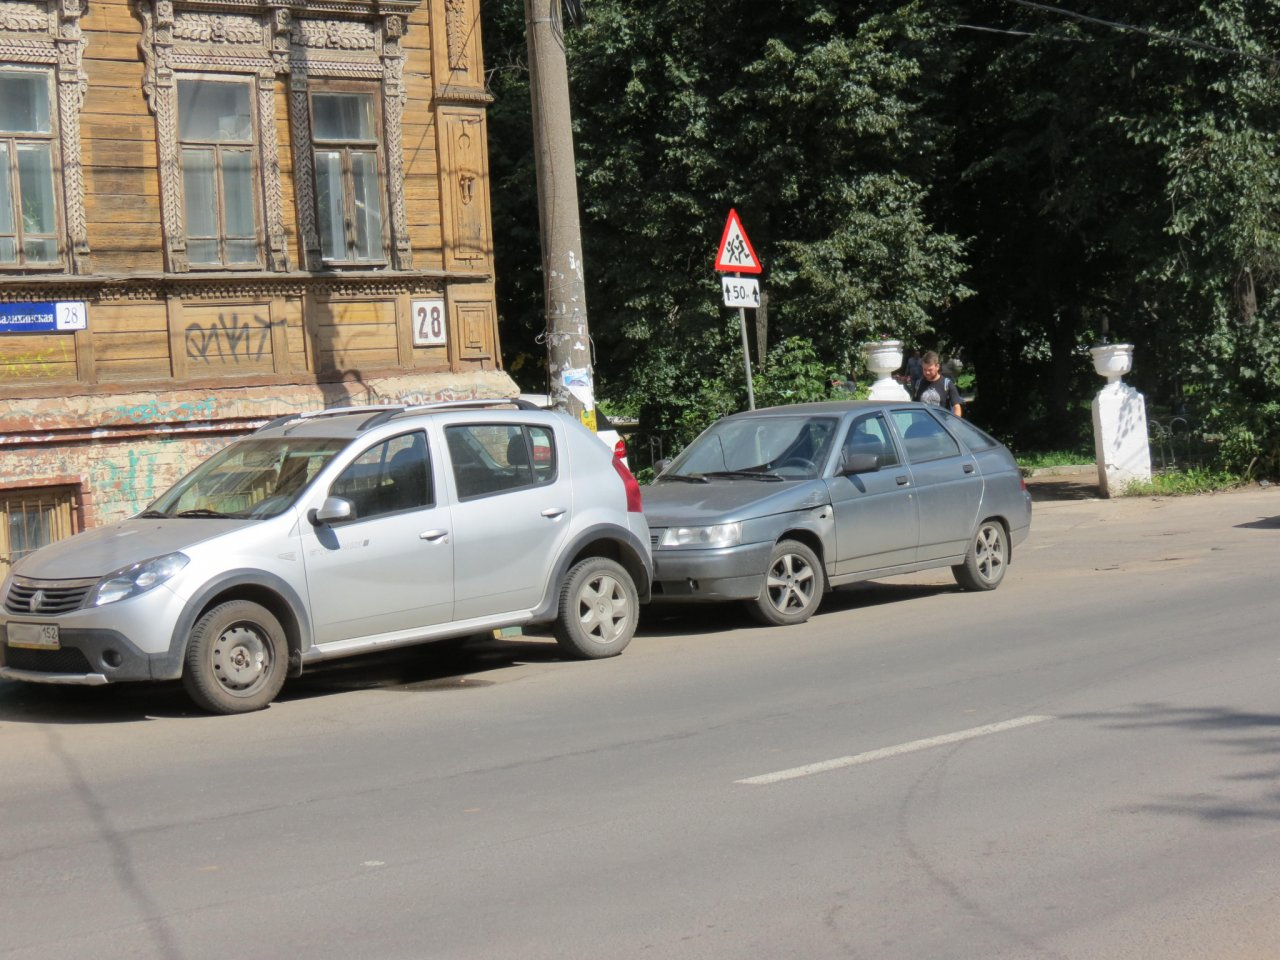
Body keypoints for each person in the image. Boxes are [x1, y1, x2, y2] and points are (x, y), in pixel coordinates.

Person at [912, 350, 963, 416]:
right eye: (924, 369)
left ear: (937, 367)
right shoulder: (919, 383)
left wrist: (956, 423)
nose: (927, 372)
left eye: (930, 370)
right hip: (922, 424)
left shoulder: (947, 384)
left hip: (941, 424)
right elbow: (914, 407)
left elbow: (957, 407)